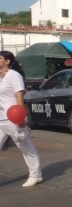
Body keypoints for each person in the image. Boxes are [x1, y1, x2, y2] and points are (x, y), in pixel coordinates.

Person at [0, 51, 43, 187]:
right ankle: (36, 174)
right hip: (1, 119)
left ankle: (35, 175)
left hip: (12, 118)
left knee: (25, 147)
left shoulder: (14, 76)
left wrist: (20, 118)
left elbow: (19, 97)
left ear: (7, 61)